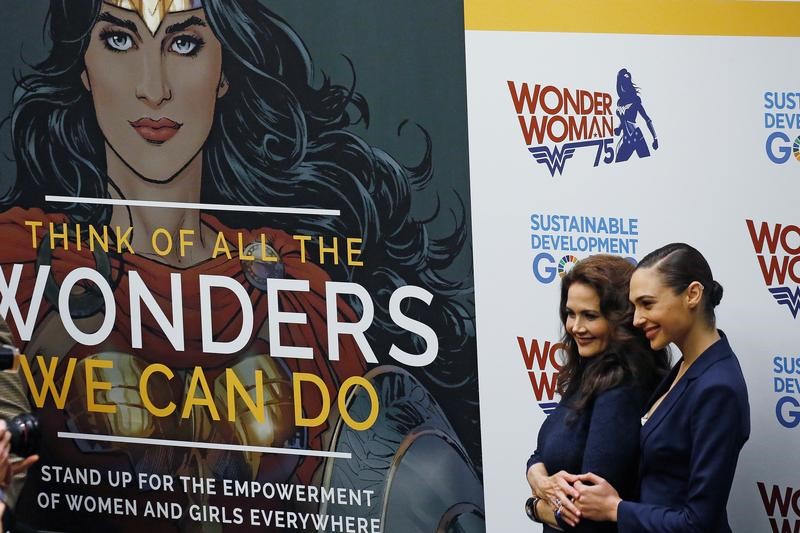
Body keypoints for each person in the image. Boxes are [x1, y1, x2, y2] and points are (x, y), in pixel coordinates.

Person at [0, 0, 476, 529]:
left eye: (184, 42)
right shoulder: (22, 265)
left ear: (223, 72)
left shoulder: (295, 286)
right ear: (83, 68)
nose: (153, 87)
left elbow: (382, 485)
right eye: (119, 40)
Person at [570, 243, 750, 532]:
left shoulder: (718, 387)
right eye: (634, 306)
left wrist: (615, 509)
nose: (637, 319)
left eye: (647, 304)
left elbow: (698, 523)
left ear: (692, 294)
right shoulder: (686, 367)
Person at [525, 255, 669, 531]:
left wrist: (534, 507)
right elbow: (541, 452)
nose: (576, 327)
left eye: (590, 315)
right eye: (570, 313)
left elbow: (587, 515)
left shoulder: (621, 389)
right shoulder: (590, 372)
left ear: (621, 320)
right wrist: (541, 480)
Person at [613, 68, 658, 163]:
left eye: (625, 84)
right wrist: (619, 128)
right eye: (621, 84)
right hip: (626, 140)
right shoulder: (620, 102)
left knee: (648, 163)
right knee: (618, 162)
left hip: (637, 137)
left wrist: (655, 138)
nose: (622, 87)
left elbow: (647, 119)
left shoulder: (635, 100)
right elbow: (624, 119)